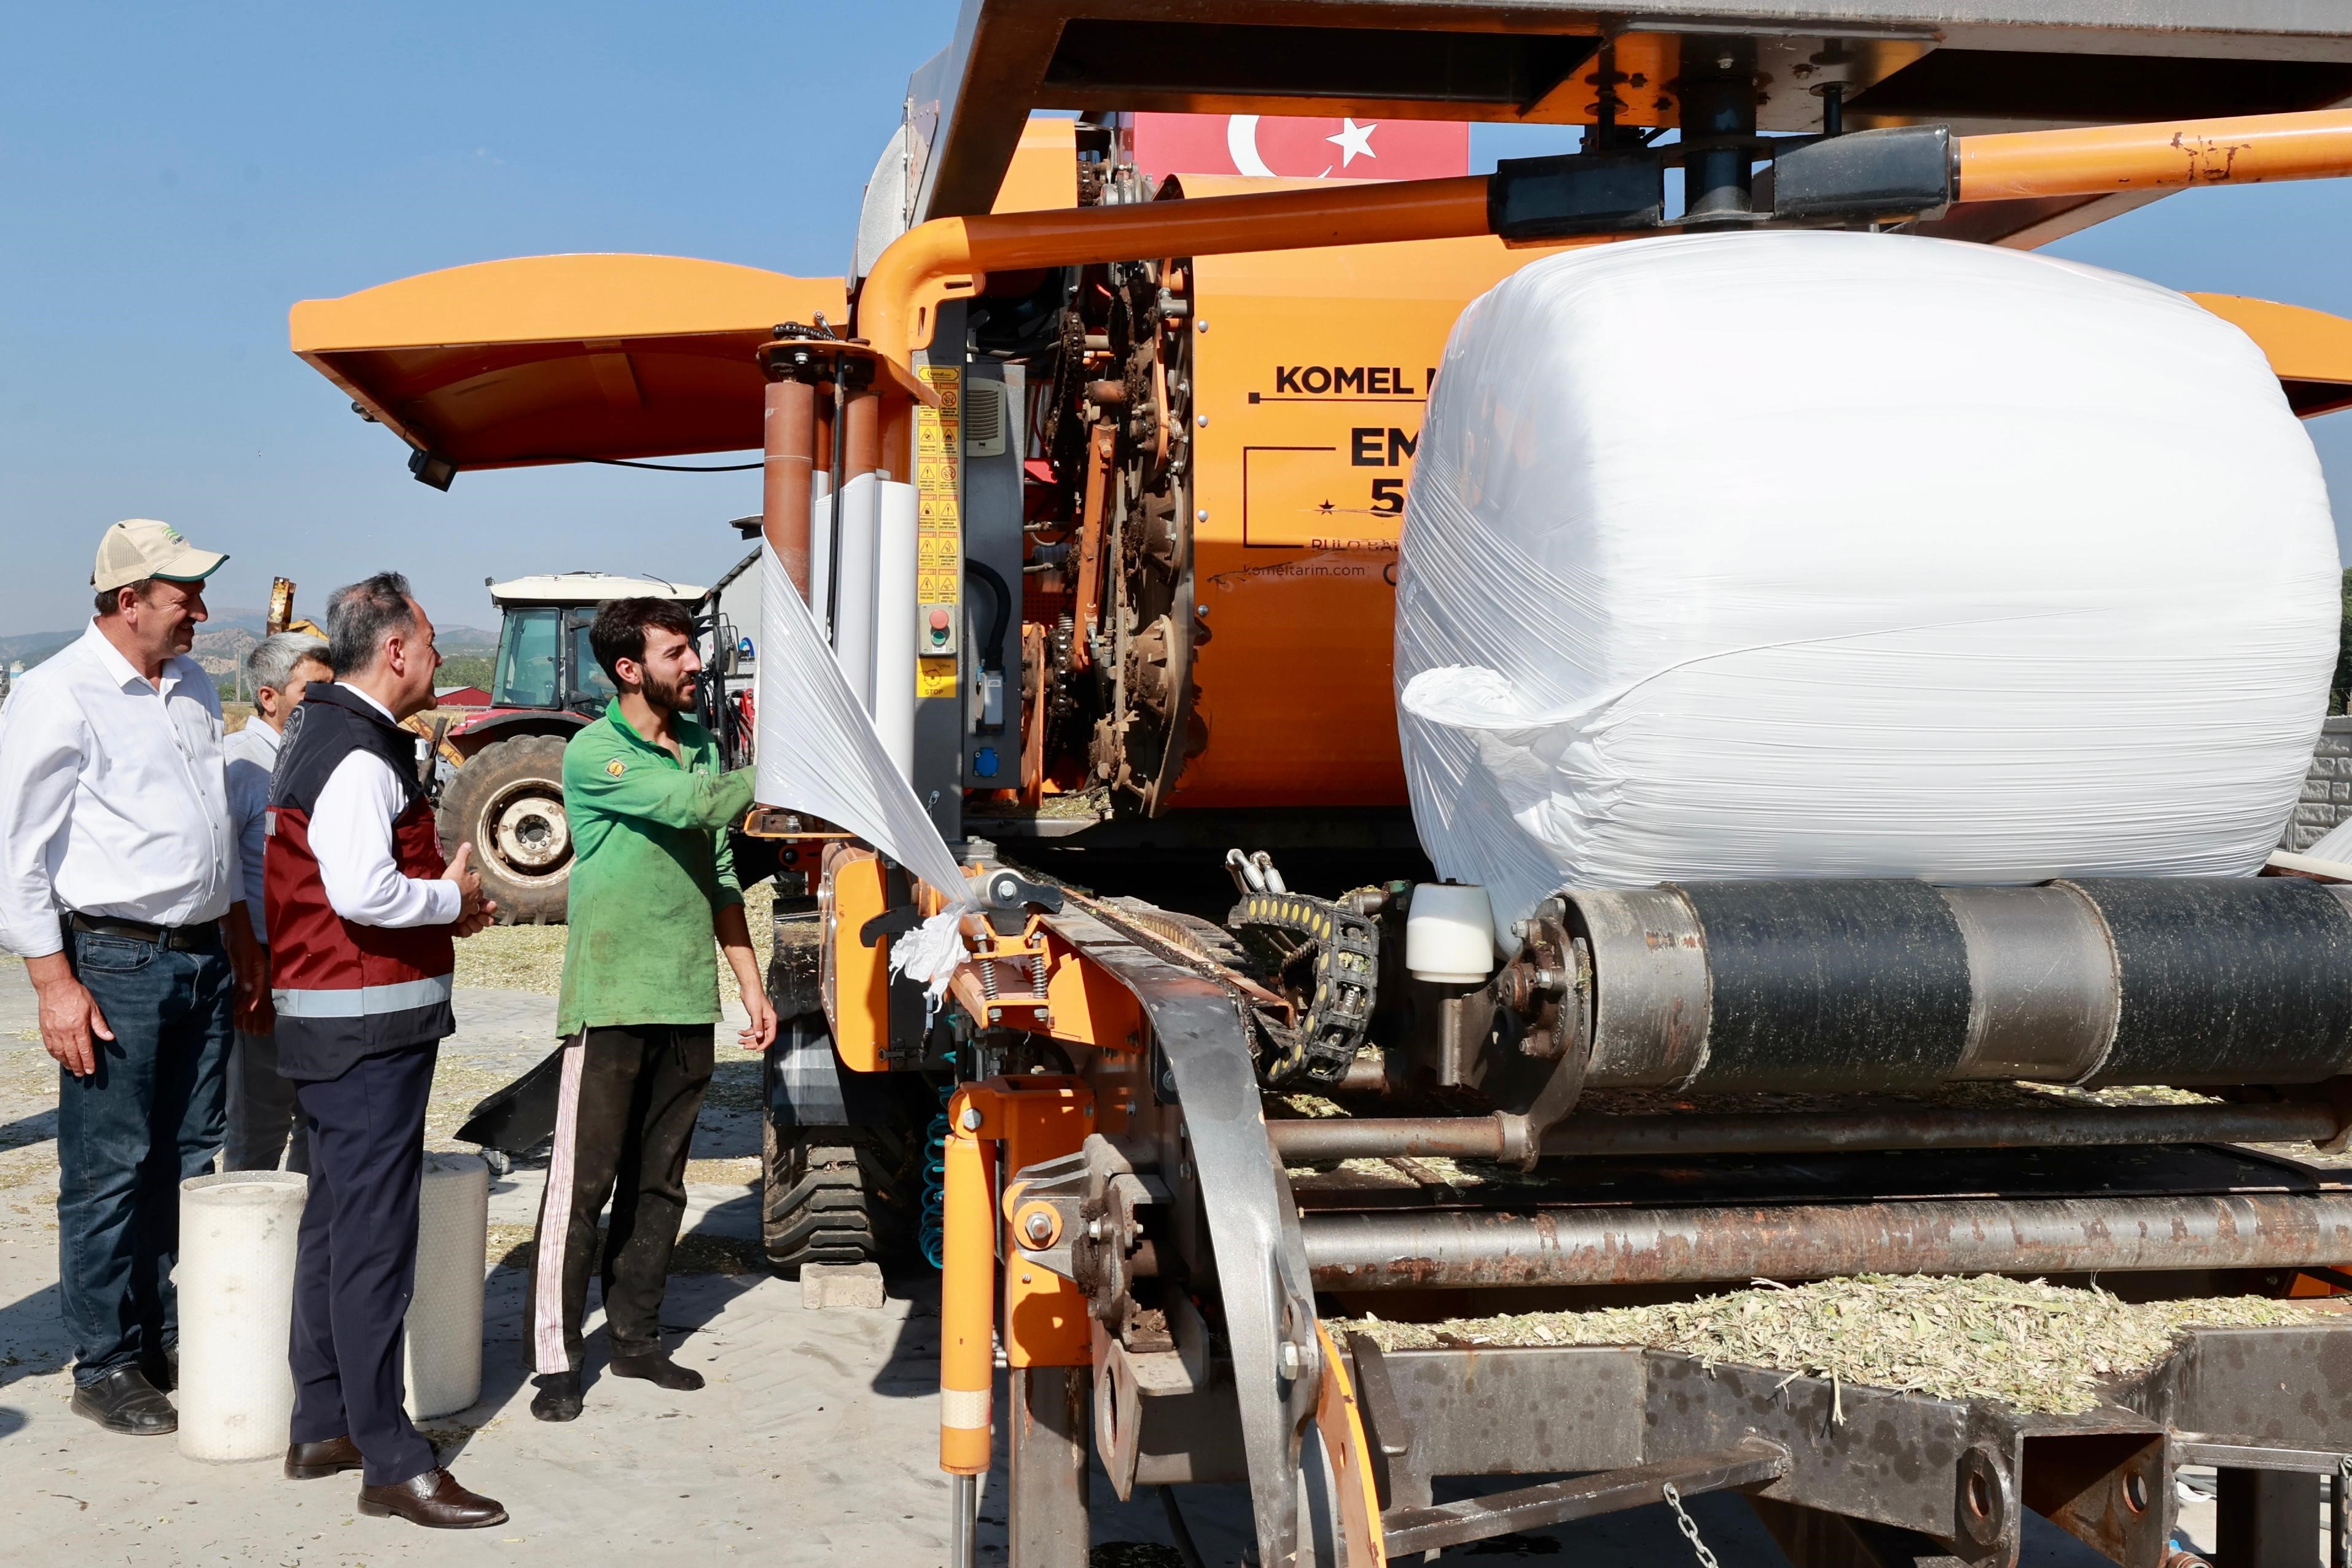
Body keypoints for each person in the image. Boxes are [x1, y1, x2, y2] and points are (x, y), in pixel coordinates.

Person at [0, 518, 266, 1435]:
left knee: (189, 1158)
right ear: (127, 602)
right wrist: (52, 981)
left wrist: (238, 936)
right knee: (111, 1167)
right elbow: (17, 854)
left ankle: (159, 1331)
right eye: (182, 595)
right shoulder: (56, 695)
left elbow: (211, 825)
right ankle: (104, 1359)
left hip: (198, 952)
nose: (199, 610)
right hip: (114, 958)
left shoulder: (191, 684)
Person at [265, 571, 506, 1529]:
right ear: (395, 650)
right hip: (365, 1031)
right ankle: (393, 1460)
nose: (441, 656)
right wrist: (454, 900)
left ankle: (324, 1422)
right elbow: (364, 893)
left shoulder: (317, 736)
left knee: (333, 1227)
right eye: (432, 640)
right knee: (372, 1244)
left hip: (334, 1026)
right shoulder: (359, 752)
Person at [526, 596, 775, 1423]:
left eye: (690, 649)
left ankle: (635, 1341)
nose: (694, 663)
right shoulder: (598, 753)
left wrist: (749, 982)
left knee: (659, 1185)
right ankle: (557, 1360)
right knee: (583, 1185)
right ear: (629, 669)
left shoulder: (700, 744)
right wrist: (785, 763)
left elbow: (721, 876)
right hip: (610, 997)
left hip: (683, 997)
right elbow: (693, 808)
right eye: (676, 652)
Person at [222, 631, 331, 1173]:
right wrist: (250, 963)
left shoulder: (318, 758)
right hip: (263, 961)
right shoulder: (240, 769)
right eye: (313, 690)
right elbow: (223, 876)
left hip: (316, 963)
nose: (326, 703)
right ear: (269, 697)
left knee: (318, 1120)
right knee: (259, 1121)